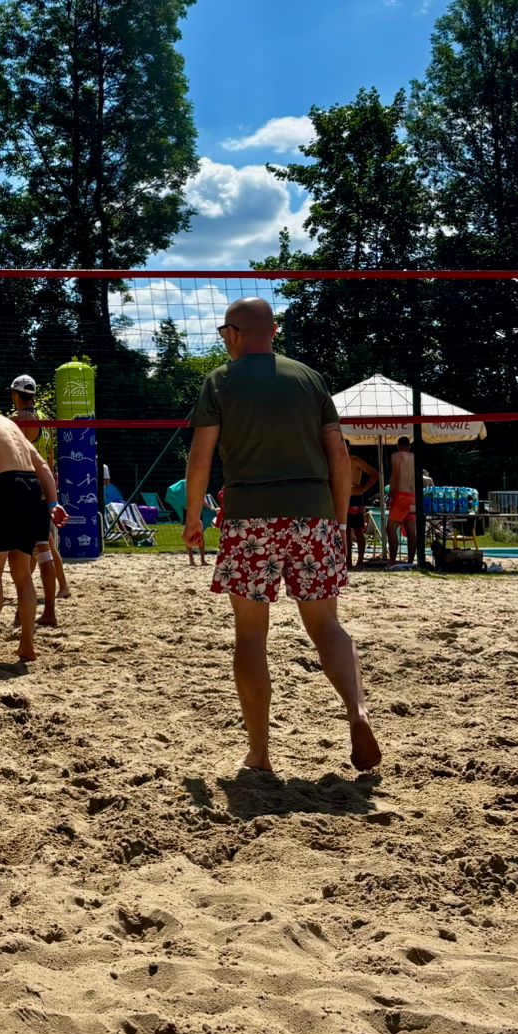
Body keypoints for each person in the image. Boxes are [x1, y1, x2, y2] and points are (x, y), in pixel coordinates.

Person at [182, 297, 380, 775]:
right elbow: (339, 457)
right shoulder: (310, 379)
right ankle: (357, 712)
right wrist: (335, 523)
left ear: (233, 334)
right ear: (274, 332)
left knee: (251, 634)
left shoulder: (220, 382)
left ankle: (260, 754)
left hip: (249, 517)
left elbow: (201, 459)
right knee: (327, 626)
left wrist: (192, 518)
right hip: (313, 514)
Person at [0, 380, 66, 666]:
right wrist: (53, 503)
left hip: (5, 488)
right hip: (32, 490)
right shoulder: (10, 424)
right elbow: (42, 465)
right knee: (22, 574)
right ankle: (27, 645)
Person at [8, 372, 71, 626]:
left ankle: (28, 610)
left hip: (25, 489)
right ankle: (46, 610)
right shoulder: (44, 419)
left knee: (27, 553)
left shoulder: (16, 421)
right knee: (43, 549)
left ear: (15, 395)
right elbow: (51, 460)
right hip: (45, 488)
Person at [346, 453, 380, 569]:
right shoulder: (336, 459)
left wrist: (364, 489)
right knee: (345, 530)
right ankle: (348, 562)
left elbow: (375, 474)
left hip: (355, 497)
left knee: (357, 530)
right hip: (343, 496)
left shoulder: (355, 460)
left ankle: (360, 561)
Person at [386, 437, 417, 565]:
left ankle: (392, 560)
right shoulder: (415, 457)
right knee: (411, 531)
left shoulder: (396, 456)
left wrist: (390, 494)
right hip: (413, 496)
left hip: (401, 496)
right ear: (409, 446)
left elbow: (395, 475)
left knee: (390, 529)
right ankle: (410, 561)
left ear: (398, 446)